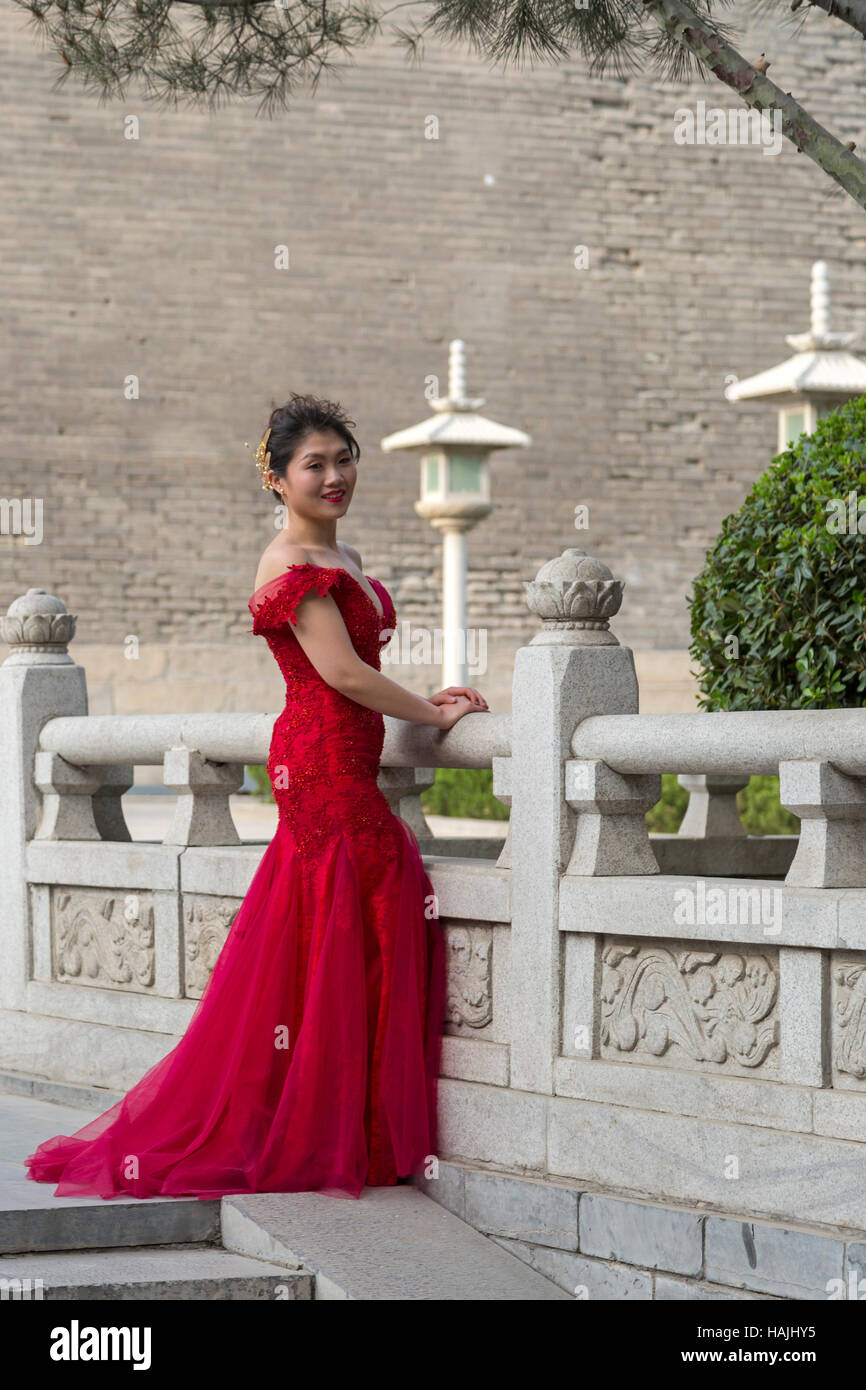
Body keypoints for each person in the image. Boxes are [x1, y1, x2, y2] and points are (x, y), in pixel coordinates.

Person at [23, 392, 489, 1201]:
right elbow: (341, 673)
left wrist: (424, 702)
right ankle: (325, 1128)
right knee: (359, 914)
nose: (335, 476)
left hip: (344, 759)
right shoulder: (287, 563)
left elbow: (356, 668)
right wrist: (433, 711)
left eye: (345, 460)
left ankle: (347, 1123)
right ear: (276, 479)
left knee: (346, 928)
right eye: (316, 465)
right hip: (319, 765)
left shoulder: (344, 560)